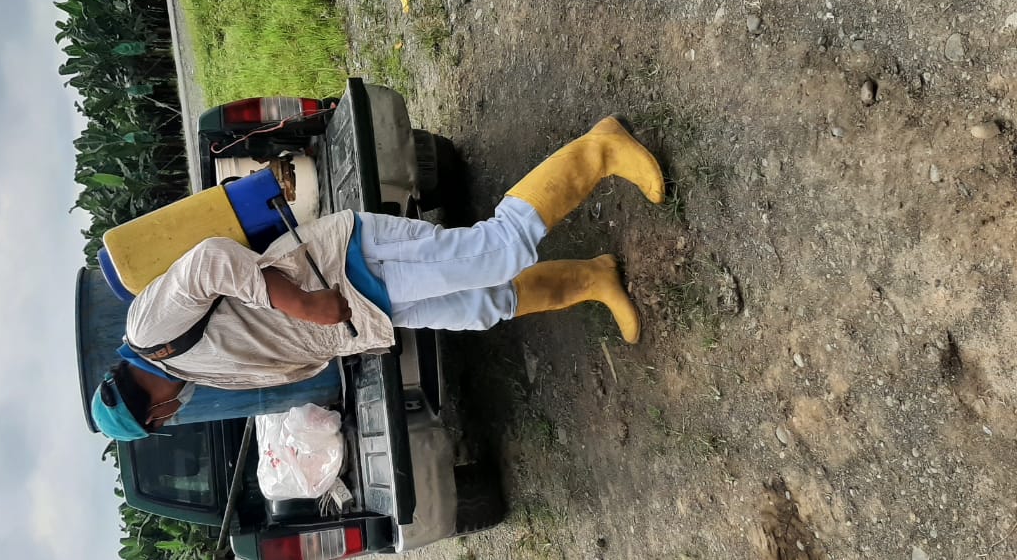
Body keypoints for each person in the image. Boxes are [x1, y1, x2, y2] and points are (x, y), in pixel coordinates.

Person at [91, 116, 664, 440]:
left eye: (161, 420)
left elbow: (209, 262)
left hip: (347, 266)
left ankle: (600, 148)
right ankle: (593, 278)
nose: (173, 416)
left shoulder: (148, 333)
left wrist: (304, 306)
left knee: (497, 251)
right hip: (362, 312)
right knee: (484, 305)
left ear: (151, 413)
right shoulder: (183, 368)